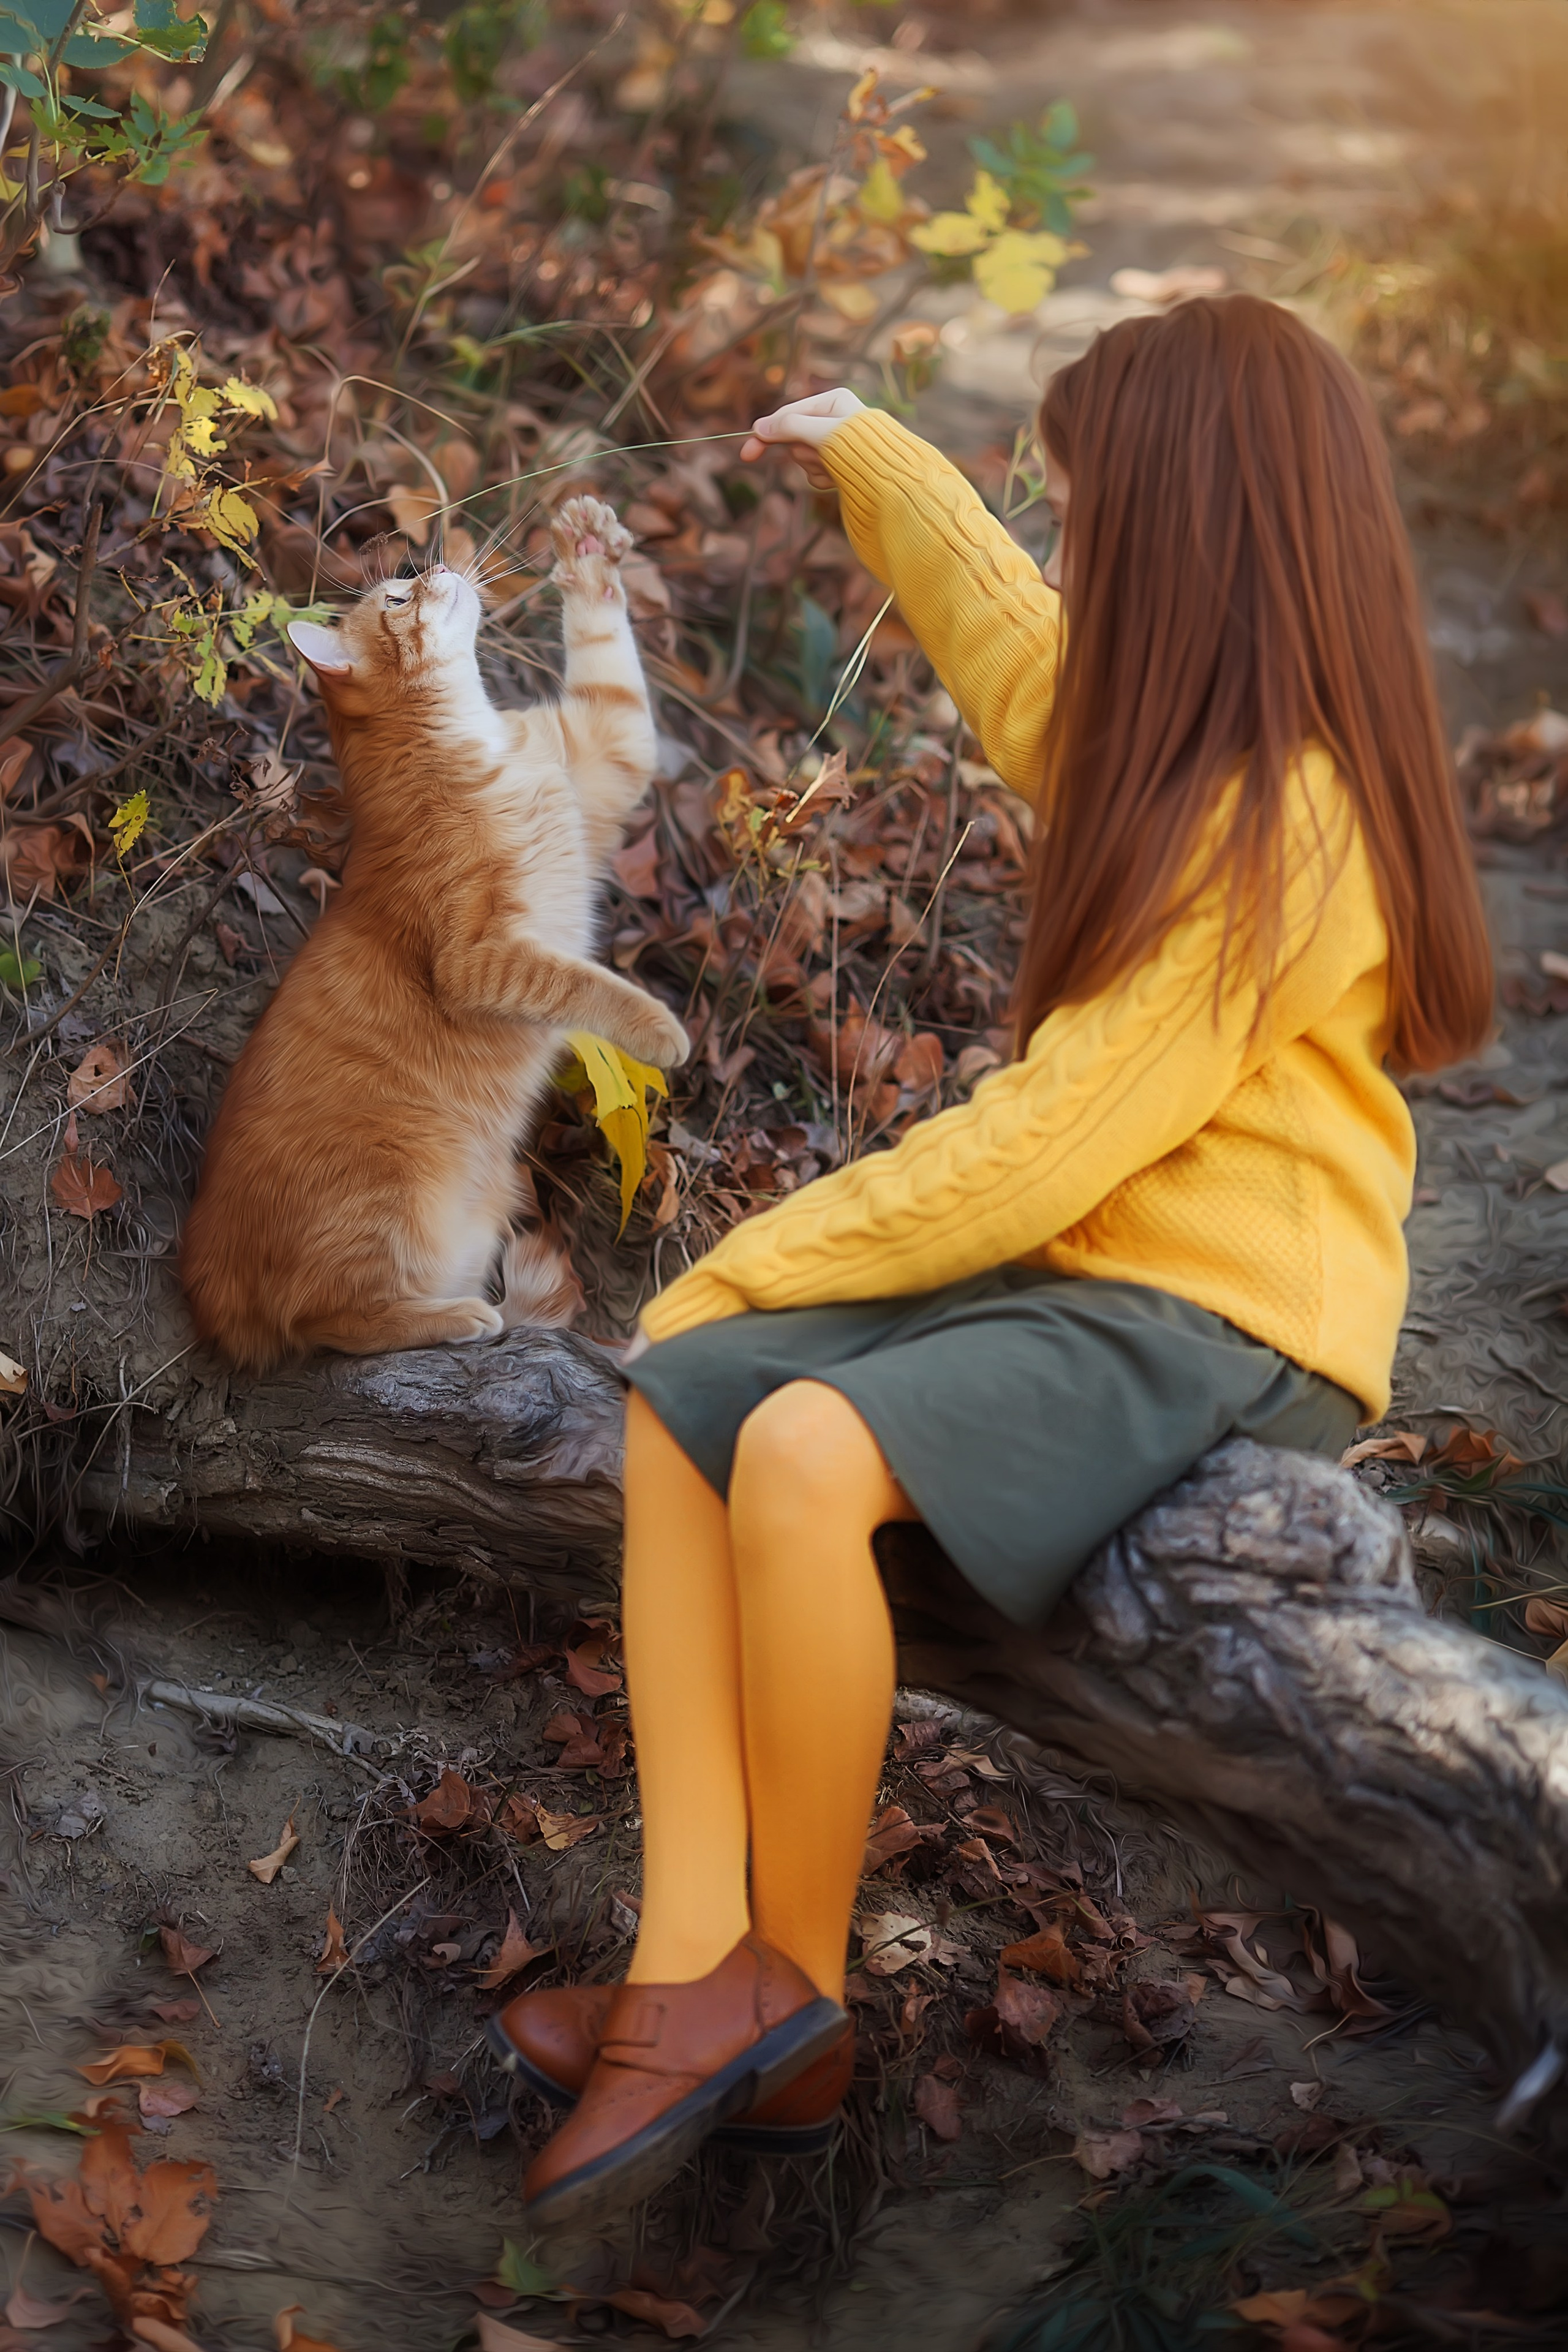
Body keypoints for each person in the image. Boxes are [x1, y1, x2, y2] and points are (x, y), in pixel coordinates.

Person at [491, 294, 1494, 2231]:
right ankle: (698, 1968)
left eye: (1097, 521)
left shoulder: (1297, 829)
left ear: (1199, 541)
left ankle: (805, 1988)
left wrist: (769, 1253)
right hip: (1104, 1261)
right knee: (685, 1401)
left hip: (1226, 1308)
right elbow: (1031, 670)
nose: (1084, 557)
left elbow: (1056, 1132)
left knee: (791, 1442)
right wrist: (893, 466)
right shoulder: (1189, 745)